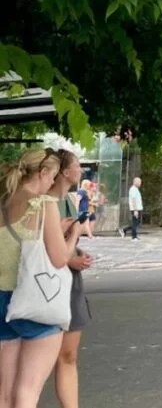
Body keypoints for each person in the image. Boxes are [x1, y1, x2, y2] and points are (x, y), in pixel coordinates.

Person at [0, 149, 84, 408]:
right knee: (28, 391)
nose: (53, 182)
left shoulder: (3, 202)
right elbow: (59, 258)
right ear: (43, 172)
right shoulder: (44, 203)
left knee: (4, 394)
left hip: (1, 302)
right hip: (34, 301)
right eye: (53, 175)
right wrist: (75, 233)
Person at [48, 150, 93, 408]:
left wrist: (78, 254)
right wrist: (71, 256)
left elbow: (68, 240)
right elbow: (43, 248)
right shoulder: (47, 203)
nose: (81, 170)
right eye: (77, 166)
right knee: (43, 357)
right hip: (50, 285)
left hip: (70, 282)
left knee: (68, 355)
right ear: (64, 172)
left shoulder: (69, 201)